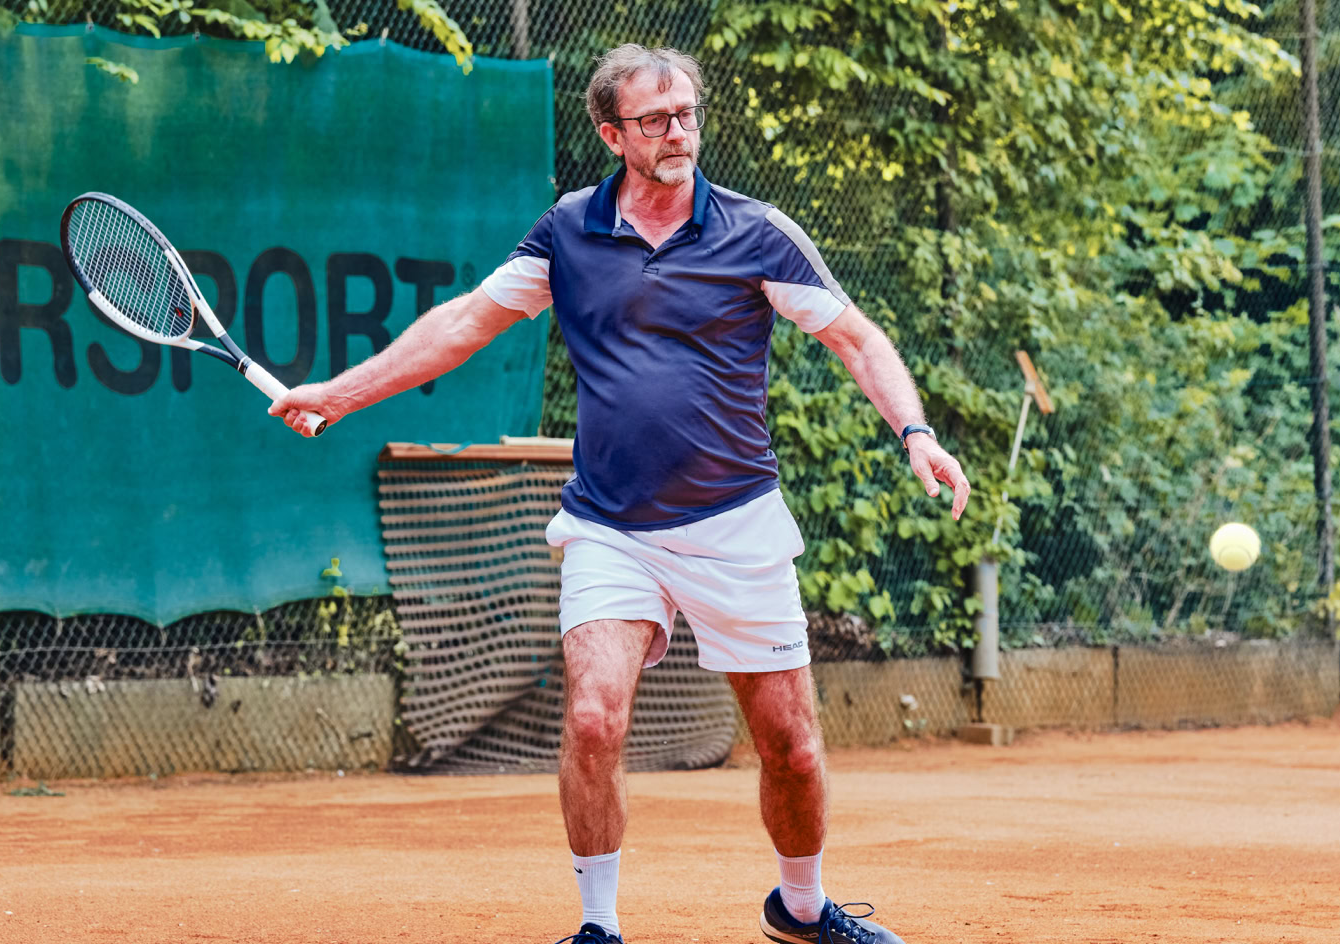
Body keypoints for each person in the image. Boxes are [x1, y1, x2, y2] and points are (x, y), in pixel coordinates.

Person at [271, 42, 970, 944]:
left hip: (736, 522)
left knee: (790, 748)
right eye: (655, 120)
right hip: (611, 526)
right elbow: (462, 325)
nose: (678, 132)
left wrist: (916, 432)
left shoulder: (758, 232)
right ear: (611, 134)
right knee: (595, 716)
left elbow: (859, 341)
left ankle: (802, 909)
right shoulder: (566, 231)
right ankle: (598, 926)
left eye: (686, 114)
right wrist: (339, 393)